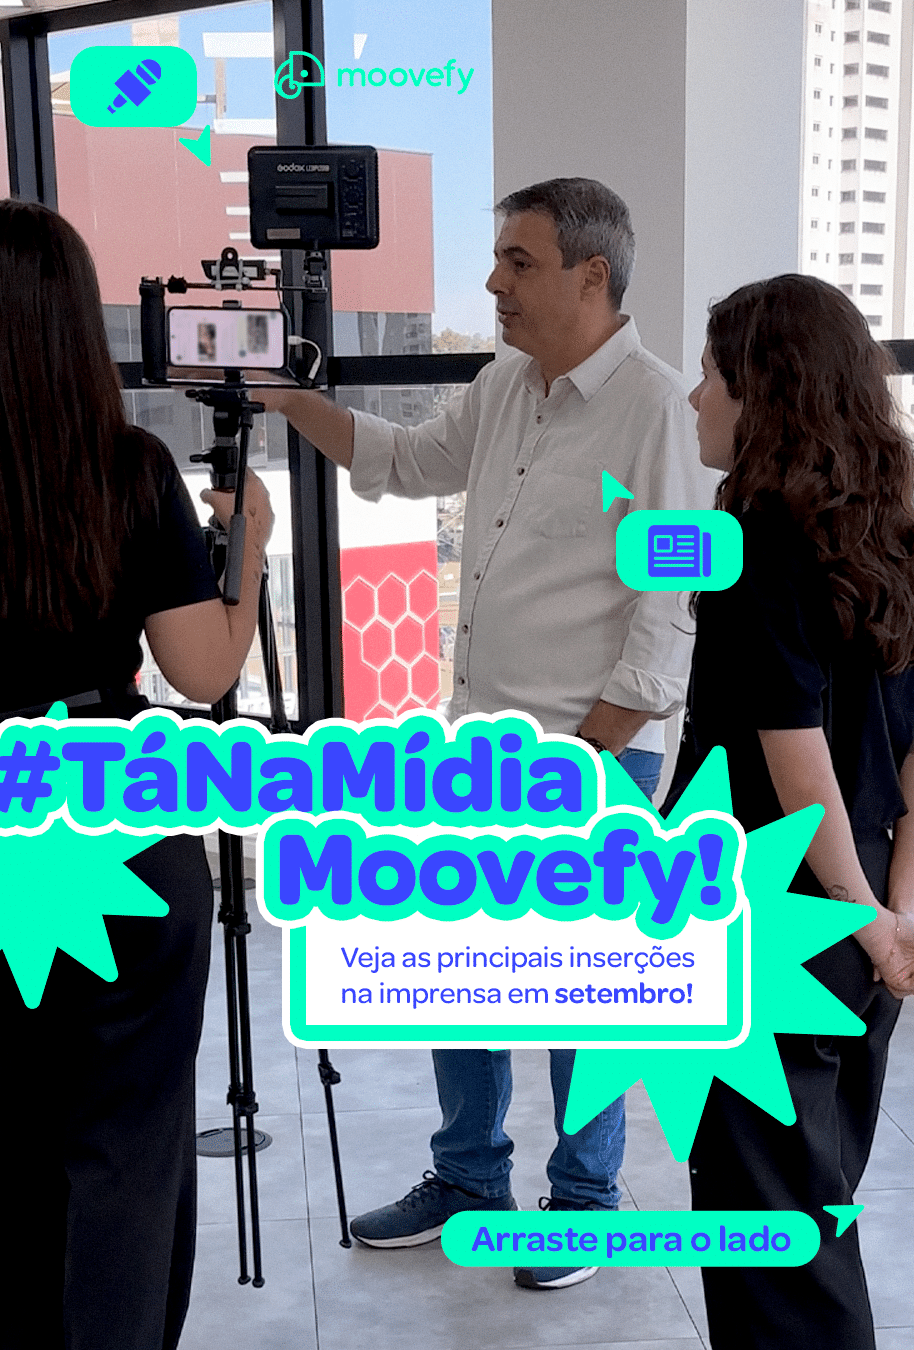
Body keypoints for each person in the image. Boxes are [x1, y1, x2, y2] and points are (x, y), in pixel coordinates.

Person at [258, 177, 717, 1288]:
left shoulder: (656, 407)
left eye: (518, 261)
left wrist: (595, 753)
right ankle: (469, 1176)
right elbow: (407, 461)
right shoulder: (507, 382)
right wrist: (281, 395)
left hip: (592, 756)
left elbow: (672, 608)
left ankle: (585, 1202)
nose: (493, 282)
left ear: (591, 275)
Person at [0, 199, 273, 1350]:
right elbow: (205, 672)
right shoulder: (130, 467)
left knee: (13, 1126)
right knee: (130, 1140)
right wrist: (252, 546)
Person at [663, 274, 914, 1349]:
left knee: (774, 1238)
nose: (695, 399)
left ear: (765, 391)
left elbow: (794, 753)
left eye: (710, 376)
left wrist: (865, 916)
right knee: (814, 1204)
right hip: (859, 922)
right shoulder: (895, 530)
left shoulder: (756, 535)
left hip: (771, 921)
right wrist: (895, 916)